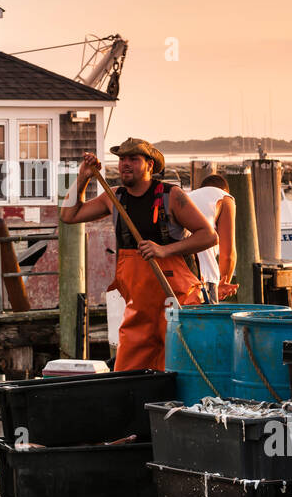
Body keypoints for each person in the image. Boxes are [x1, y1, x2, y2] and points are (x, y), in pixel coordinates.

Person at [60, 137, 216, 371]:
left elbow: (209, 235)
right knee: (124, 373)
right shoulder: (114, 198)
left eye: (134, 159)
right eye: (122, 159)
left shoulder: (171, 196)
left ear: (150, 165)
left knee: (179, 370)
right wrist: (83, 177)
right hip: (138, 311)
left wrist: (164, 250)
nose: (125, 164)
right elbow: (69, 215)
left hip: (175, 304)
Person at [187, 174, 238, 303]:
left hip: (179, 276)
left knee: (178, 322)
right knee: (205, 322)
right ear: (225, 191)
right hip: (204, 279)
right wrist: (223, 282)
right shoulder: (225, 198)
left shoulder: (187, 196)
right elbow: (228, 254)